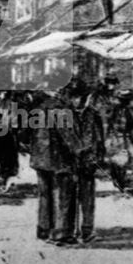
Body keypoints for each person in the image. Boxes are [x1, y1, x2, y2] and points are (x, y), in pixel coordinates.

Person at [30, 78, 85, 245]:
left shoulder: (40, 107)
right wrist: (81, 151)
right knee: (62, 195)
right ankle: (61, 233)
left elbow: (27, 134)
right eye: (75, 97)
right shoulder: (60, 109)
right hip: (59, 159)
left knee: (45, 195)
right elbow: (68, 136)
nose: (77, 101)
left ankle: (44, 230)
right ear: (67, 94)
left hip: (40, 158)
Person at [72, 81, 105, 243]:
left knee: (87, 196)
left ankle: (87, 229)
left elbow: (99, 138)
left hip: (88, 161)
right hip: (69, 161)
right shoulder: (65, 113)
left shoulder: (93, 114)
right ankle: (72, 229)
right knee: (69, 197)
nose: (78, 101)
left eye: (82, 98)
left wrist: (98, 158)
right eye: (75, 97)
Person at [105, 88, 133, 191]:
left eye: (127, 99)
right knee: (112, 157)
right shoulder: (114, 109)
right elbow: (108, 121)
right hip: (115, 136)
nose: (125, 101)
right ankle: (116, 176)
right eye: (123, 99)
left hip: (127, 136)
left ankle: (132, 178)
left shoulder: (132, 110)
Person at [0, 91, 20, 191]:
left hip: (7, 135)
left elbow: (15, 122)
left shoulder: (12, 106)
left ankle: (3, 179)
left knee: (6, 159)